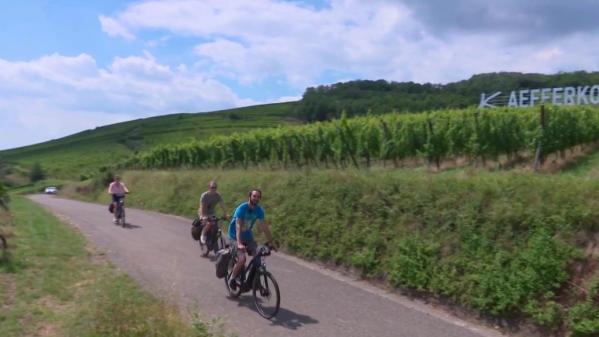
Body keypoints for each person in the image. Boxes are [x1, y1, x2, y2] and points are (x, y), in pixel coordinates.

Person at [227, 189, 275, 290]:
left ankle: (253, 281)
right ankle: (232, 278)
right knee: (242, 259)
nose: (256, 198)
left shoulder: (259, 210)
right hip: (234, 237)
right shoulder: (242, 208)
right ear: (250, 196)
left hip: (248, 236)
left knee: (258, 257)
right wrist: (239, 243)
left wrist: (271, 242)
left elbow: (264, 227)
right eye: (254, 196)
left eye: (258, 197)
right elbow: (238, 226)